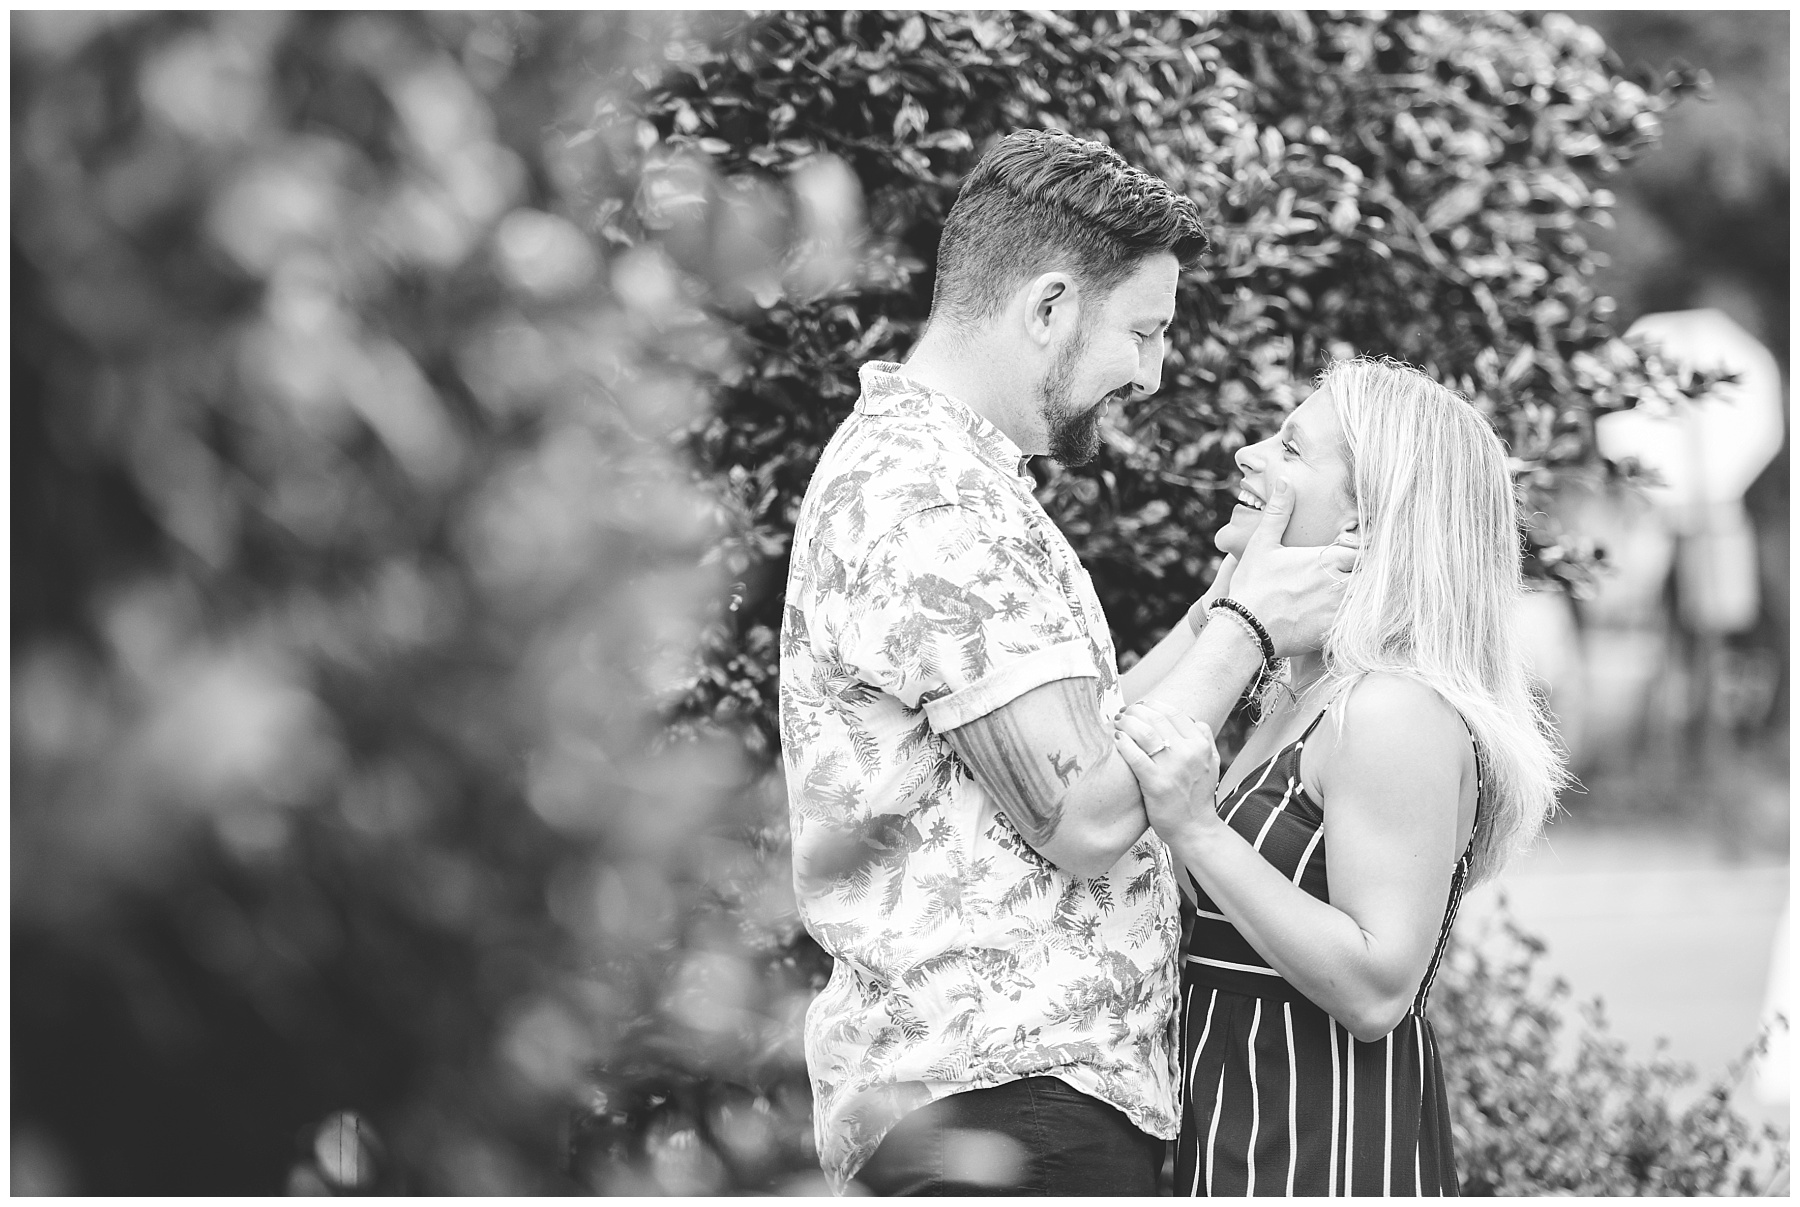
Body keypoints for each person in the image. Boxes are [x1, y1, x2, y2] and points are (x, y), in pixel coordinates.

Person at [778, 127, 1355, 1196]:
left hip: (1013, 1107)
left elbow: (1089, 741)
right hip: (1005, 1114)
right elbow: (1083, 816)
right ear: (1049, 306)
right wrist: (1249, 630)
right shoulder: (932, 500)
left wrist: (1226, 607)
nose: (1152, 372)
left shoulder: (952, 476)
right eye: (1143, 331)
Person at [1114, 357, 1568, 1196]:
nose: (1248, 454)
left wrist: (1198, 831)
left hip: (1324, 1155)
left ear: (1367, 513)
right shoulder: (1303, 694)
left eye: (1289, 448)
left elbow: (1376, 986)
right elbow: (1105, 745)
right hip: (1240, 1139)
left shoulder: (1392, 707)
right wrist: (1223, 612)